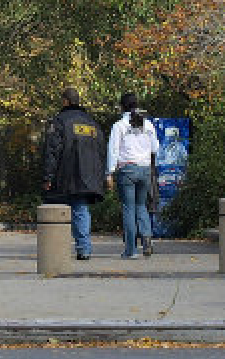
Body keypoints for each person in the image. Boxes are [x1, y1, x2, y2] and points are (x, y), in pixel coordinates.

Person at [43, 87, 107, 261]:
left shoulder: (59, 122)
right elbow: (101, 151)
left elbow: (52, 151)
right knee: (81, 210)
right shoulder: (92, 123)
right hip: (88, 176)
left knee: (56, 211)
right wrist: (101, 176)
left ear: (65, 101)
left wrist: (48, 176)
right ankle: (84, 248)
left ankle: (56, 249)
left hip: (64, 174)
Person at [106, 95, 159, 259]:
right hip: (145, 169)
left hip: (127, 170)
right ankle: (147, 238)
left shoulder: (119, 126)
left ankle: (131, 250)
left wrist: (109, 172)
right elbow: (156, 148)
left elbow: (113, 150)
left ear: (122, 107)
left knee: (128, 208)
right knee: (141, 206)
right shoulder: (148, 124)